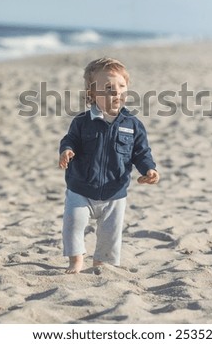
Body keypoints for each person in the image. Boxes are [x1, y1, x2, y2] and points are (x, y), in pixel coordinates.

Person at [59, 57, 159, 273]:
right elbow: (70, 140)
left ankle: (102, 261)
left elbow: (141, 152)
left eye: (121, 86)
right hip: (81, 188)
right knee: (73, 224)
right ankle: (75, 260)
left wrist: (149, 169)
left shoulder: (132, 125)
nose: (116, 92)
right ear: (92, 93)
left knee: (110, 232)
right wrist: (66, 150)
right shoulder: (82, 121)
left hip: (115, 191)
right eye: (108, 87)